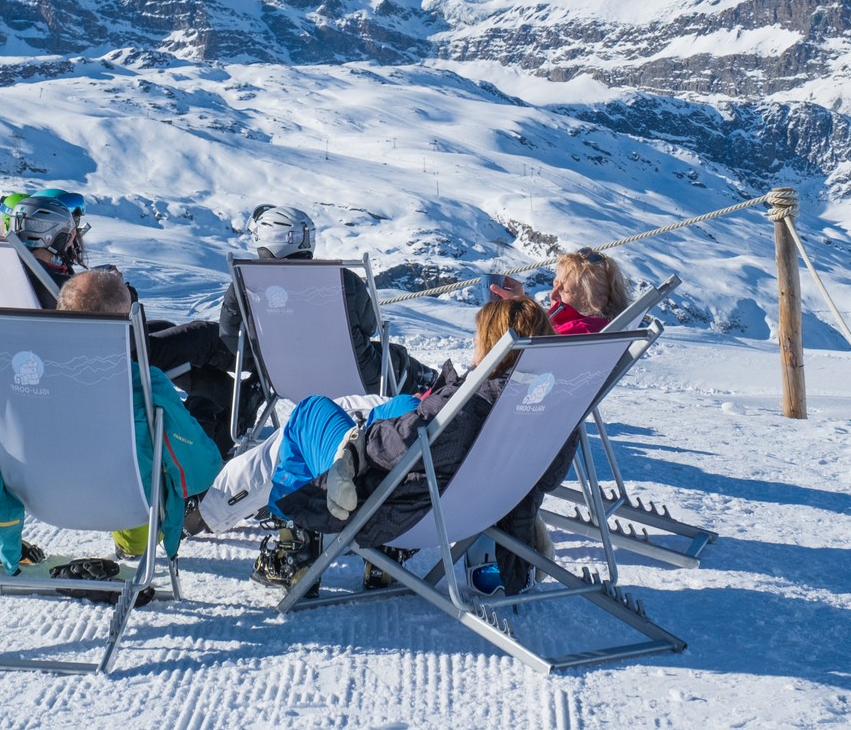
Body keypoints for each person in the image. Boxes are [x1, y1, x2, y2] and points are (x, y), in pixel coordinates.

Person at [253, 297, 573, 596]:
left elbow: (390, 446)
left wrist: (357, 442)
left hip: (396, 511)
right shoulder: (551, 411)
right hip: (467, 512)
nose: (474, 343)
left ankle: (294, 549)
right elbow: (549, 479)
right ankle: (382, 558)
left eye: (479, 336)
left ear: (493, 343)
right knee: (405, 402)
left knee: (310, 411)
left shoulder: (469, 404)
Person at [0, 268, 222, 576]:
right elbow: (197, 462)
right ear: (125, 322)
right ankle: (133, 544)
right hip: (126, 506)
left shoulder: (17, 379)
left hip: (38, 500)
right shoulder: (143, 383)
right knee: (149, 478)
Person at [0, 190, 238, 451]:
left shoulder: (14, 273)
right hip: (108, 361)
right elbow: (126, 336)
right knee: (202, 336)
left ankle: (224, 407)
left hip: (62, 356)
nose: (71, 242)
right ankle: (262, 368)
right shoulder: (52, 284)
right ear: (54, 236)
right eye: (69, 235)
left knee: (166, 329)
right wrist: (123, 292)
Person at [219, 204, 434, 397]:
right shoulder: (341, 279)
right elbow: (370, 327)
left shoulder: (244, 282)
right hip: (357, 377)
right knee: (395, 358)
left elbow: (230, 335)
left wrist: (266, 356)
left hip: (283, 379)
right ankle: (437, 389)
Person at [489, 248, 630, 335]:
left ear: (598, 302)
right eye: (555, 284)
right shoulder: (599, 329)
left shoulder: (578, 333)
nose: (552, 294)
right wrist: (520, 303)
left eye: (566, 291)